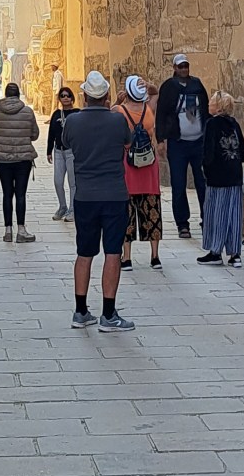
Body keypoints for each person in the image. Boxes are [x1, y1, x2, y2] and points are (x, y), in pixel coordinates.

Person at [64, 71, 134, 331]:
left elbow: (67, 143)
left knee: (84, 253)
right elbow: (126, 143)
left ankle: (80, 311)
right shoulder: (117, 121)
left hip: (85, 195)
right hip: (114, 194)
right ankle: (109, 314)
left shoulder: (73, 122)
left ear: (83, 95)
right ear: (106, 96)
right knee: (113, 253)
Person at [156, 53, 210, 240]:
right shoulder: (168, 87)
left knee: (202, 182)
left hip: (198, 142)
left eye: (186, 66)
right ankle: (182, 223)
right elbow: (161, 113)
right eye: (180, 67)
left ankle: (207, 218)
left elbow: (206, 108)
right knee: (178, 184)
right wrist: (160, 139)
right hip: (178, 143)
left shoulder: (197, 84)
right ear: (174, 68)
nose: (184, 69)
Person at [198, 91, 244, 265]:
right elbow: (243, 151)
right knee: (234, 214)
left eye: (212, 101)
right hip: (234, 175)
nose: (209, 103)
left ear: (218, 106)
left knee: (217, 213)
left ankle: (215, 251)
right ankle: (235, 254)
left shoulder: (212, 124)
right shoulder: (233, 123)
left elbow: (209, 151)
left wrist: (206, 168)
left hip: (218, 176)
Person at [119, 75, 163, 270]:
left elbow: (108, 111)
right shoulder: (149, 109)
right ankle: (155, 257)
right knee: (152, 211)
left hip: (128, 167)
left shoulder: (119, 111)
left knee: (126, 214)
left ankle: (127, 258)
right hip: (149, 166)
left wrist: (120, 100)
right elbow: (155, 92)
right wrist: (148, 85)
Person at [0, 81, 40, 242]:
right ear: (18, 94)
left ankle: (8, 230)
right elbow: (35, 134)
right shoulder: (28, 112)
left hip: (2, 159)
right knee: (21, 194)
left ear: (6, 94)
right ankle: (21, 230)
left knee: (7, 193)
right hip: (23, 158)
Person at [47, 84, 77, 220]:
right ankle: (62, 206)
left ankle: (73, 209)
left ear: (72, 98)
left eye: (68, 95)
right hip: (58, 151)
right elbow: (51, 133)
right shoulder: (56, 114)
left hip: (72, 152)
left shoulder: (77, 114)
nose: (65, 98)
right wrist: (49, 151)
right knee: (58, 181)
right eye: (62, 96)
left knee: (73, 182)